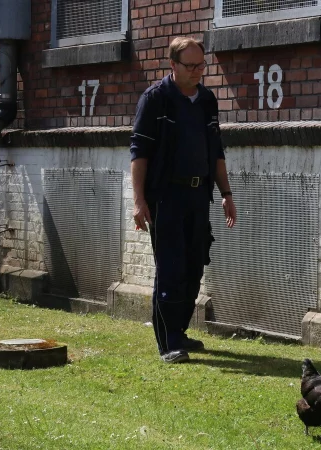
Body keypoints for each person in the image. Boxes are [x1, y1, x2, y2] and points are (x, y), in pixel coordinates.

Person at [129, 37, 237, 363]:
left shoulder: (206, 100)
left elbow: (215, 151)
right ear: (172, 65)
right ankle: (168, 342)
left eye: (201, 65)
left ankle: (180, 331)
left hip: (197, 195)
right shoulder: (155, 100)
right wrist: (138, 201)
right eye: (190, 66)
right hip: (165, 196)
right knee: (171, 268)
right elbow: (140, 153)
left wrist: (226, 193)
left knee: (194, 266)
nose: (197, 72)